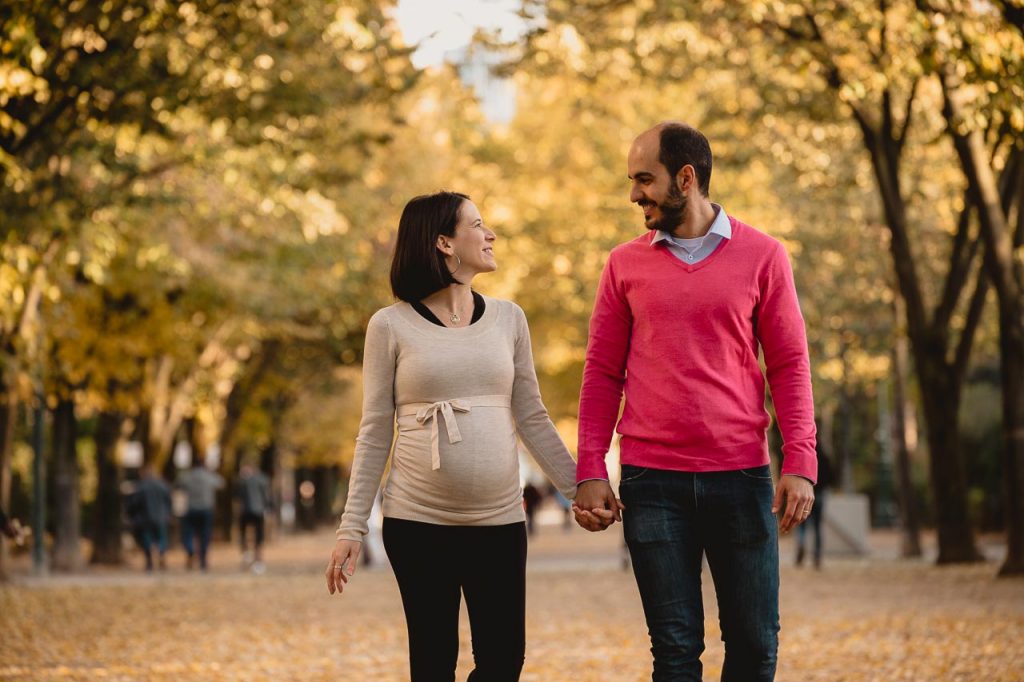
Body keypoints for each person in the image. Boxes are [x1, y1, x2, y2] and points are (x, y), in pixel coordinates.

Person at [573, 122, 817, 681]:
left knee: (755, 648)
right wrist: (591, 468)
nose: (634, 194)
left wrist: (800, 460)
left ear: (687, 177)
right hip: (651, 482)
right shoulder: (623, 264)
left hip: (742, 477)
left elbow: (789, 365)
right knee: (676, 653)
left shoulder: (764, 255)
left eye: (644, 180)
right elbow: (602, 373)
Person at [325, 191, 577, 682]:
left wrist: (580, 488)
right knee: (434, 663)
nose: (491, 235)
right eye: (477, 225)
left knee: (504, 662)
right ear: (444, 242)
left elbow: (532, 416)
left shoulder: (509, 319)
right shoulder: (390, 325)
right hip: (418, 523)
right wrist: (352, 526)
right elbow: (374, 432)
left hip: (499, 521)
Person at [176, 456, 224, 571]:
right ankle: (203, 559)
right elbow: (221, 483)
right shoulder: (209, 476)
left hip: (191, 509)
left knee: (188, 533)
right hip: (206, 509)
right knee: (205, 535)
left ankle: (190, 550)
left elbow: (178, 484)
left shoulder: (187, 476)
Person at [796, 440, 833, 569]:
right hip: (820, 495)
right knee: (817, 527)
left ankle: (801, 544)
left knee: (802, 525)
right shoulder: (824, 457)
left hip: (805, 493)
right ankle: (817, 556)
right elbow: (830, 476)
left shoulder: (805, 457)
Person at [128, 464, 172, 571]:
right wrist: (168, 513)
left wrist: (131, 515)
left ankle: (149, 561)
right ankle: (161, 553)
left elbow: (134, 503)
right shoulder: (163, 485)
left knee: (147, 539)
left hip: (145, 518)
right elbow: (169, 501)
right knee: (162, 538)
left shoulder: (141, 486)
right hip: (161, 517)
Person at [236, 463, 272, 574]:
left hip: (245, 511)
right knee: (259, 536)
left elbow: (237, 497)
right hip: (258, 511)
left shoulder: (242, 481)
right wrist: (268, 508)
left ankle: (247, 555)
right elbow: (266, 496)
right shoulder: (263, 479)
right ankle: (258, 561)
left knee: (243, 534)